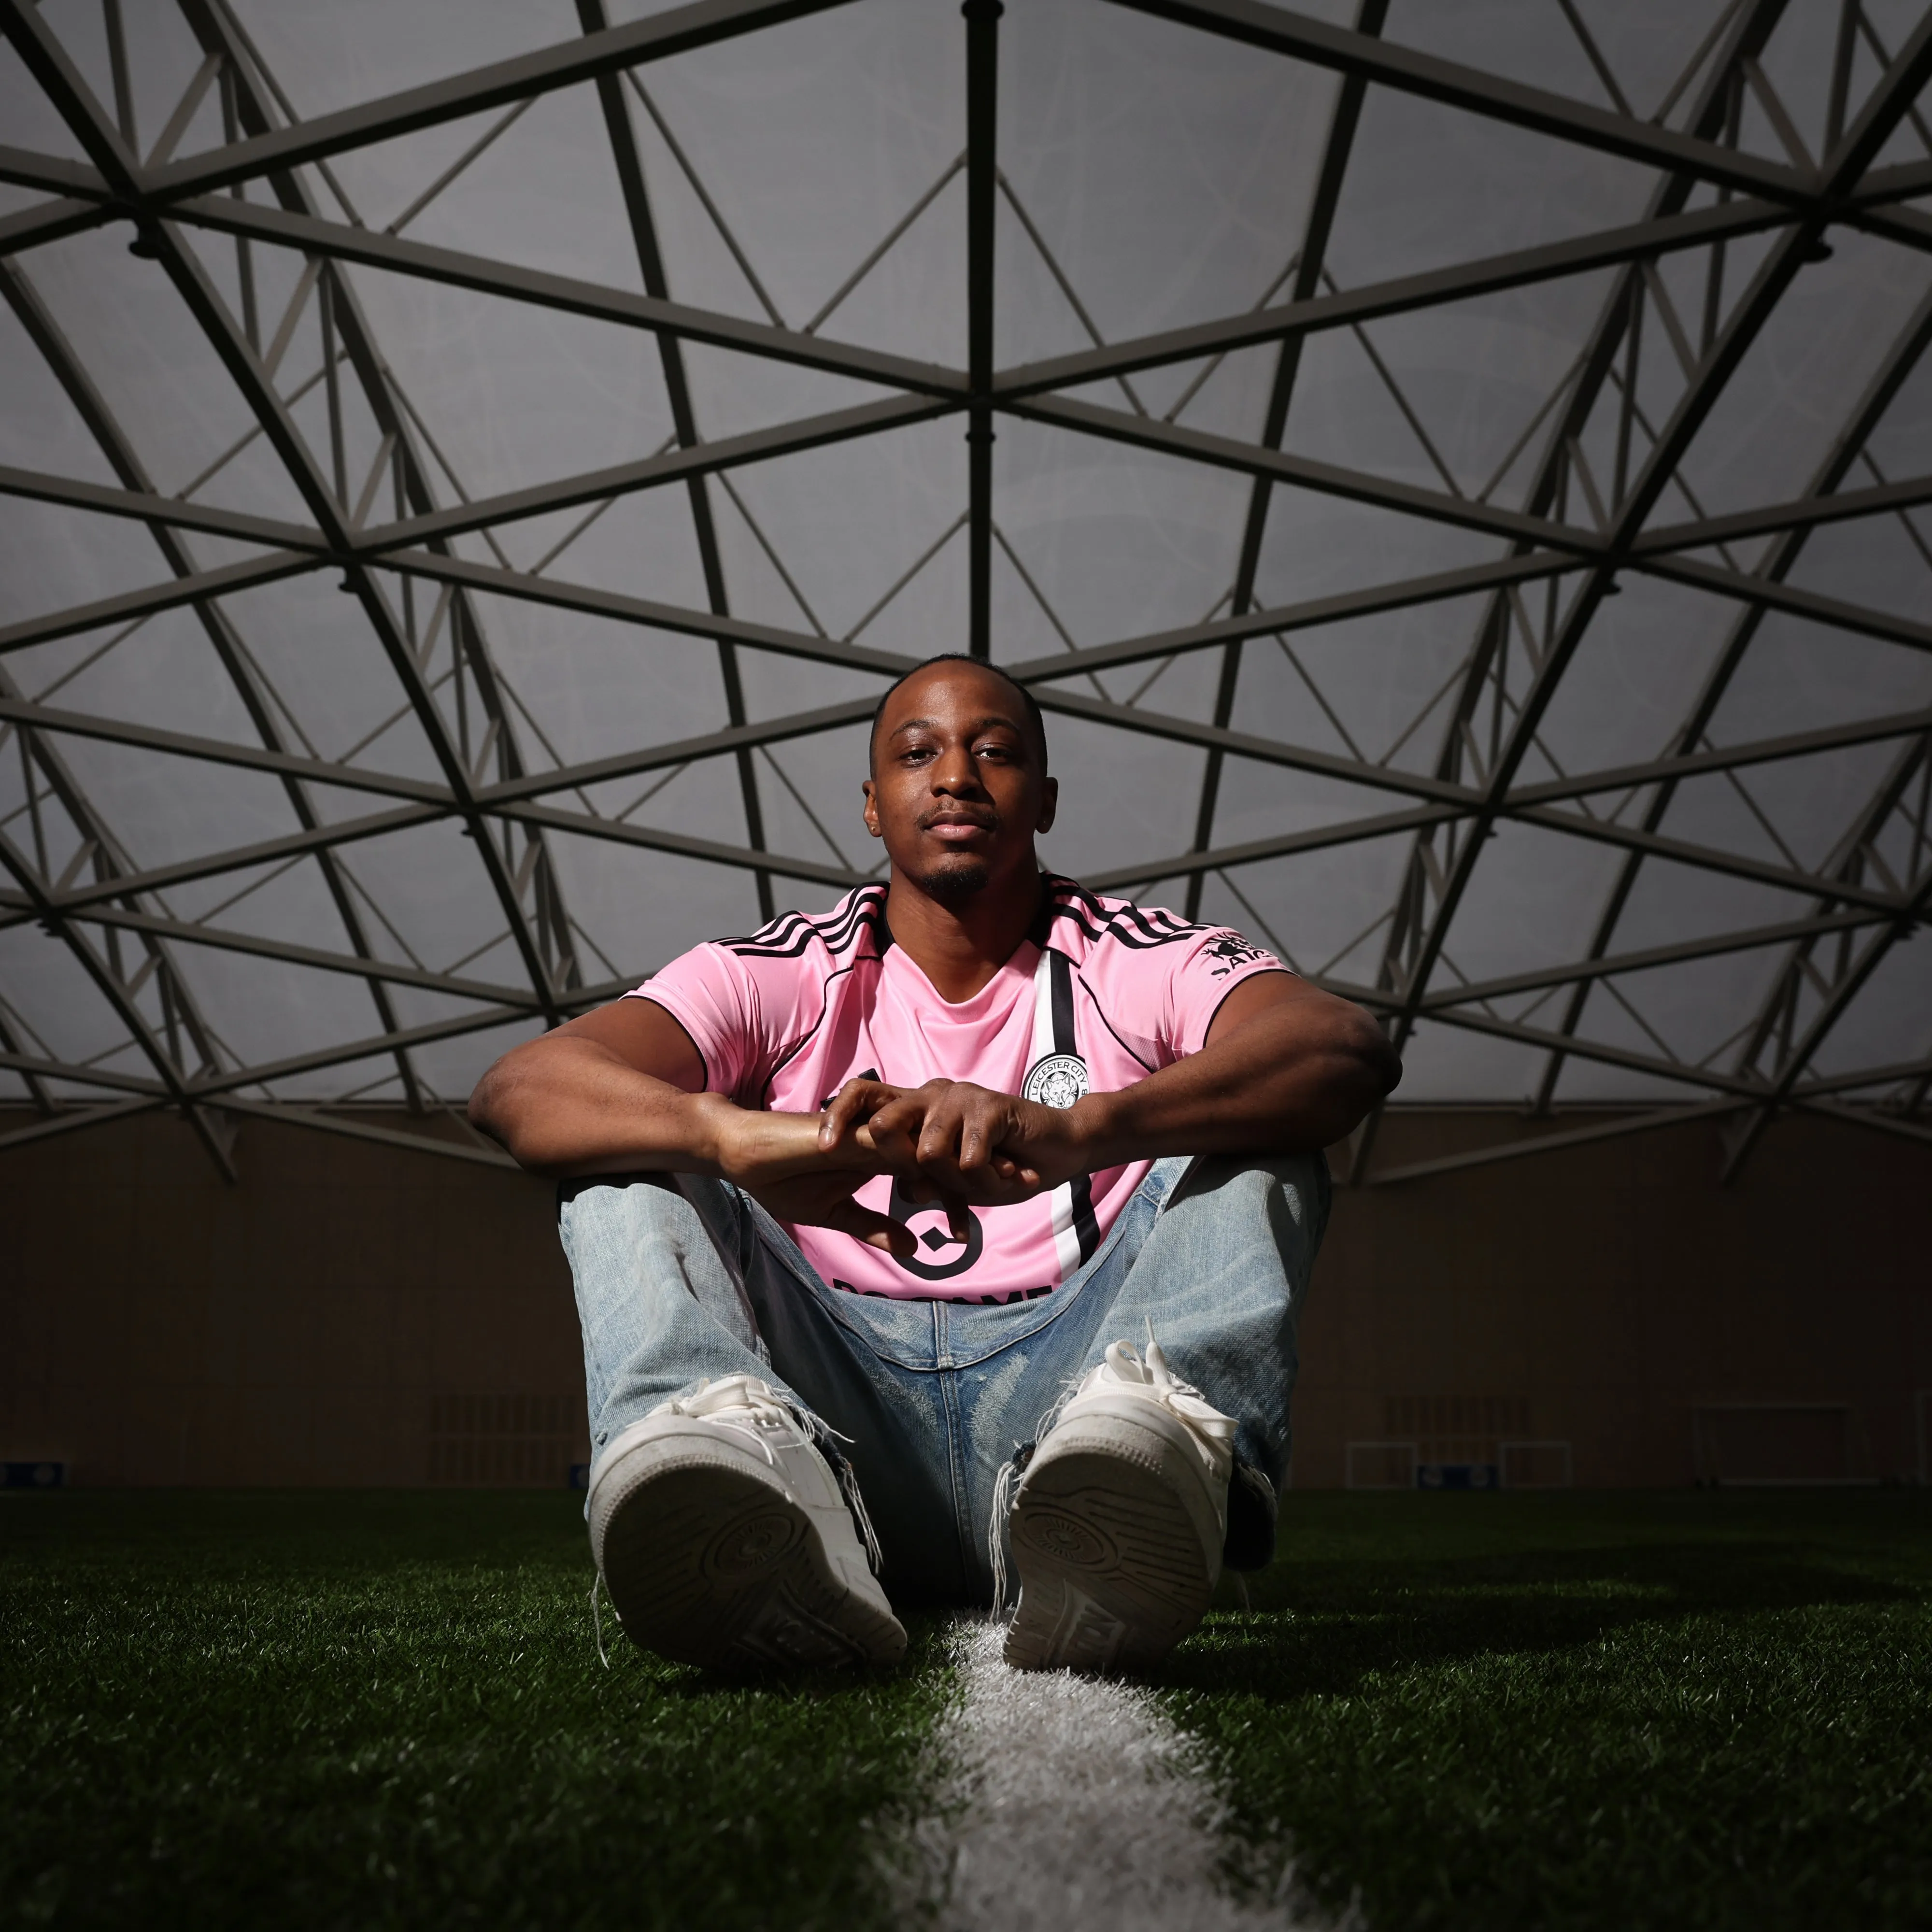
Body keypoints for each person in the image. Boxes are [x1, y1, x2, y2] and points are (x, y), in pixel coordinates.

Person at [468, 654, 1399, 1674]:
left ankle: (1151, 1440)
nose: (955, 775)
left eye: (994, 751)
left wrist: (1085, 1129)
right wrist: (730, 1137)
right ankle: (722, 1451)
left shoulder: (1132, 952)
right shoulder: (780, 967)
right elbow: (521, 1085)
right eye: (917, 754)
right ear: (872, 805)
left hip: (1068, 1413)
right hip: (830, 1420)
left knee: (1261, 1132)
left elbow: (1340, 1048)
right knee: (628, 1147)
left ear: (1043, 798)